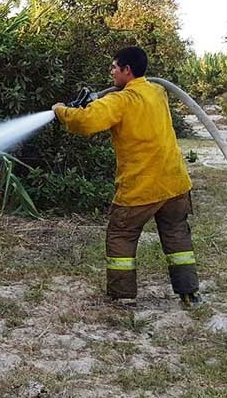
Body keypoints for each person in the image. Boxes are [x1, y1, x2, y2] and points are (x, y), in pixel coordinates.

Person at [51, 46, 200, 309]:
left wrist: (61, 110)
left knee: (121, 235)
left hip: (141, 186)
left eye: (114, 67)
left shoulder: (121, 101)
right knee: (177, 237)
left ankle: (123, 297)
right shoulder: (157, 92)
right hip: (175, 183)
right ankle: (189, 293)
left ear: (127, 70)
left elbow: (85, 123)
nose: (111, 71)